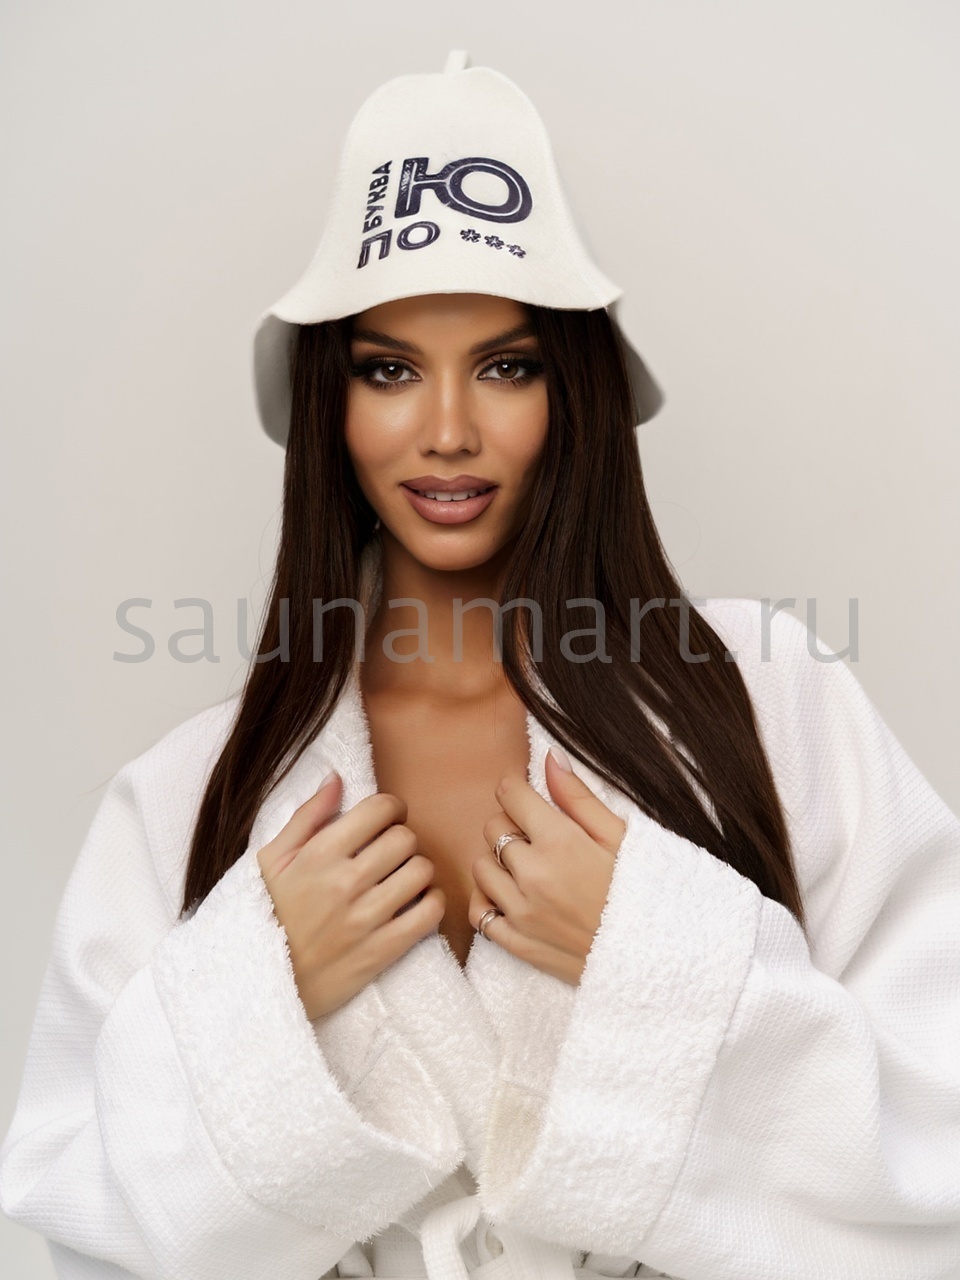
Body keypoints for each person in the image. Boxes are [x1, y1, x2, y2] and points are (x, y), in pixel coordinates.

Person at [2, 48, 959, 1280]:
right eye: (388, 369)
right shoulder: (187, 794)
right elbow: (81, 1213)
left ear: (577, 393)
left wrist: (662, 960)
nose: (447, 429)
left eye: (507, 366)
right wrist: (257, 987)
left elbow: (937, 1135)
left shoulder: (772, 699)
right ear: (330, 404)